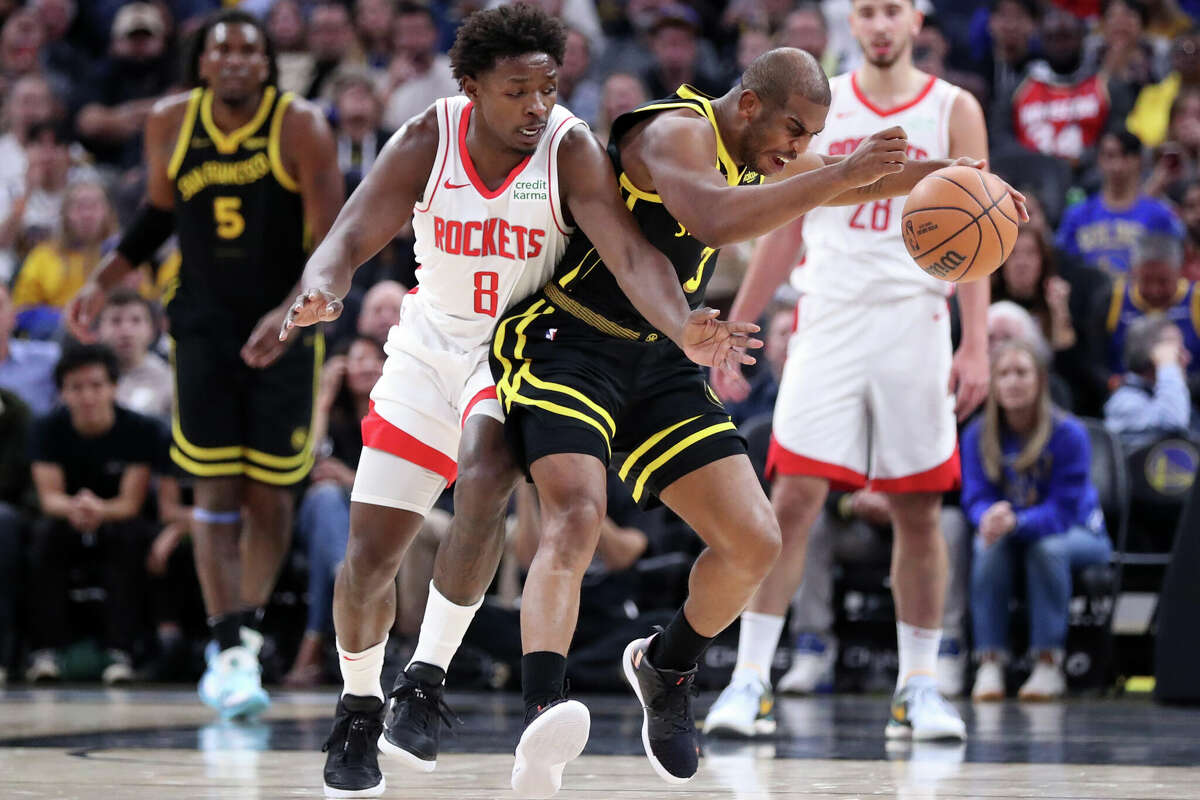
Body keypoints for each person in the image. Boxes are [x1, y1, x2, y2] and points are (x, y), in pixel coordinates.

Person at [486, 43, 1020, 794]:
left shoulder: (765, 155)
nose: (799, 150)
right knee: (576, 512)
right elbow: (713, 215)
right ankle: (544, 709)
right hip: (568, 342)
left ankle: (666, 666)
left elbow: (852, 179)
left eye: (809, 139)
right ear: (749, 107)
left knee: (754, 541)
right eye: (794, 131)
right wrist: (836, 171)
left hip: (663, 351)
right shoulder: (674, 131)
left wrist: (968, 181)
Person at [280, 6, 758, 797]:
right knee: (368, 557)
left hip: (511, 352)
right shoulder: (430, 136)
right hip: (426, 347)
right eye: (519, 91)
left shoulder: (570, 148)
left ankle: (425, 677)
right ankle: (360, 705)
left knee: (484, 480)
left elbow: (632, 254)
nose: (538, 105)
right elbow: (351, 231)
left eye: (549, 86)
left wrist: (683, 328)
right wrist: (323, 288)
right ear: (469, 87)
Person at [705, 0, 1024, 743]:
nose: (880, 25)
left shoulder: (955, 107)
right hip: (830, 315)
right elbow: (784, 226)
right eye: (868, 11)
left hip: (916, 319)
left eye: (892, 11)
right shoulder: (826, 105)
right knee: (792, 500)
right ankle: (751, 679)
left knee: (920, 512)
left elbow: (982, 234)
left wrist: (974, 342)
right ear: (855, 20)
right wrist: (739, 325)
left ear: (916, 19)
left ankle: (919, 687)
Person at [65, 9, 343, 719]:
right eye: (222, 49)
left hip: (286, 322)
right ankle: (229, 645)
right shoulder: (168, 121)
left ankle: (244, 633)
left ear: (268, 63)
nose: (237, 60)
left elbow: (333, 243)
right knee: (214, 490)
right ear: (202, 61)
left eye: (251, 49)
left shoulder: (300, 125)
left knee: (271, 493)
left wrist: (288, 317)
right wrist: (103, 279)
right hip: (203, 327)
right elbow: (157, 216)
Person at [963, 338, 1111, 702]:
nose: (1013, 382)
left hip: (1079, 532)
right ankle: (990, 661)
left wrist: (1015, 522)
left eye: (1022, 373)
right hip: (1011, 530)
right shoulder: (977, 434)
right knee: (988, 546)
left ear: (1040, 380)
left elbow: (1063, 511)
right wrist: (988, 516)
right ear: (993, 384)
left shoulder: (1068, 434)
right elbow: (975, 497)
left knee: (1047, 548)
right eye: (1004, 374)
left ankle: (1048, 663)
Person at [27, 343, 160, 685]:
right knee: (44, 536)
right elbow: (49, 497)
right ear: (62, 392)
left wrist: (99, 509)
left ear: (114, 387)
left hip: (117, 517)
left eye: (96, 385)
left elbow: (130, 502)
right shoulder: (46, 429)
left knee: (129, 538)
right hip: (66, 517)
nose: (87, 396)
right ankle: (48, 651)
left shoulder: (139, 429)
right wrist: (77, 507)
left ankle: (121, 652)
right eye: (76, 387)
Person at [1105, 315, 1194, 448]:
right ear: (1153, 357)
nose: (1187, 358)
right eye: (1178, 351)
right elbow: (1174, 422)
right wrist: (1167, 366)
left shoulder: (1167, 396)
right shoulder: (1124, 401)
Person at [95, 289, 172, 423]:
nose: (126, 331)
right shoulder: (85, 379)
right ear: (99, 330)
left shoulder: (169, 379)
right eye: (115, 321)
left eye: (136, 321)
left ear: (152, 330)